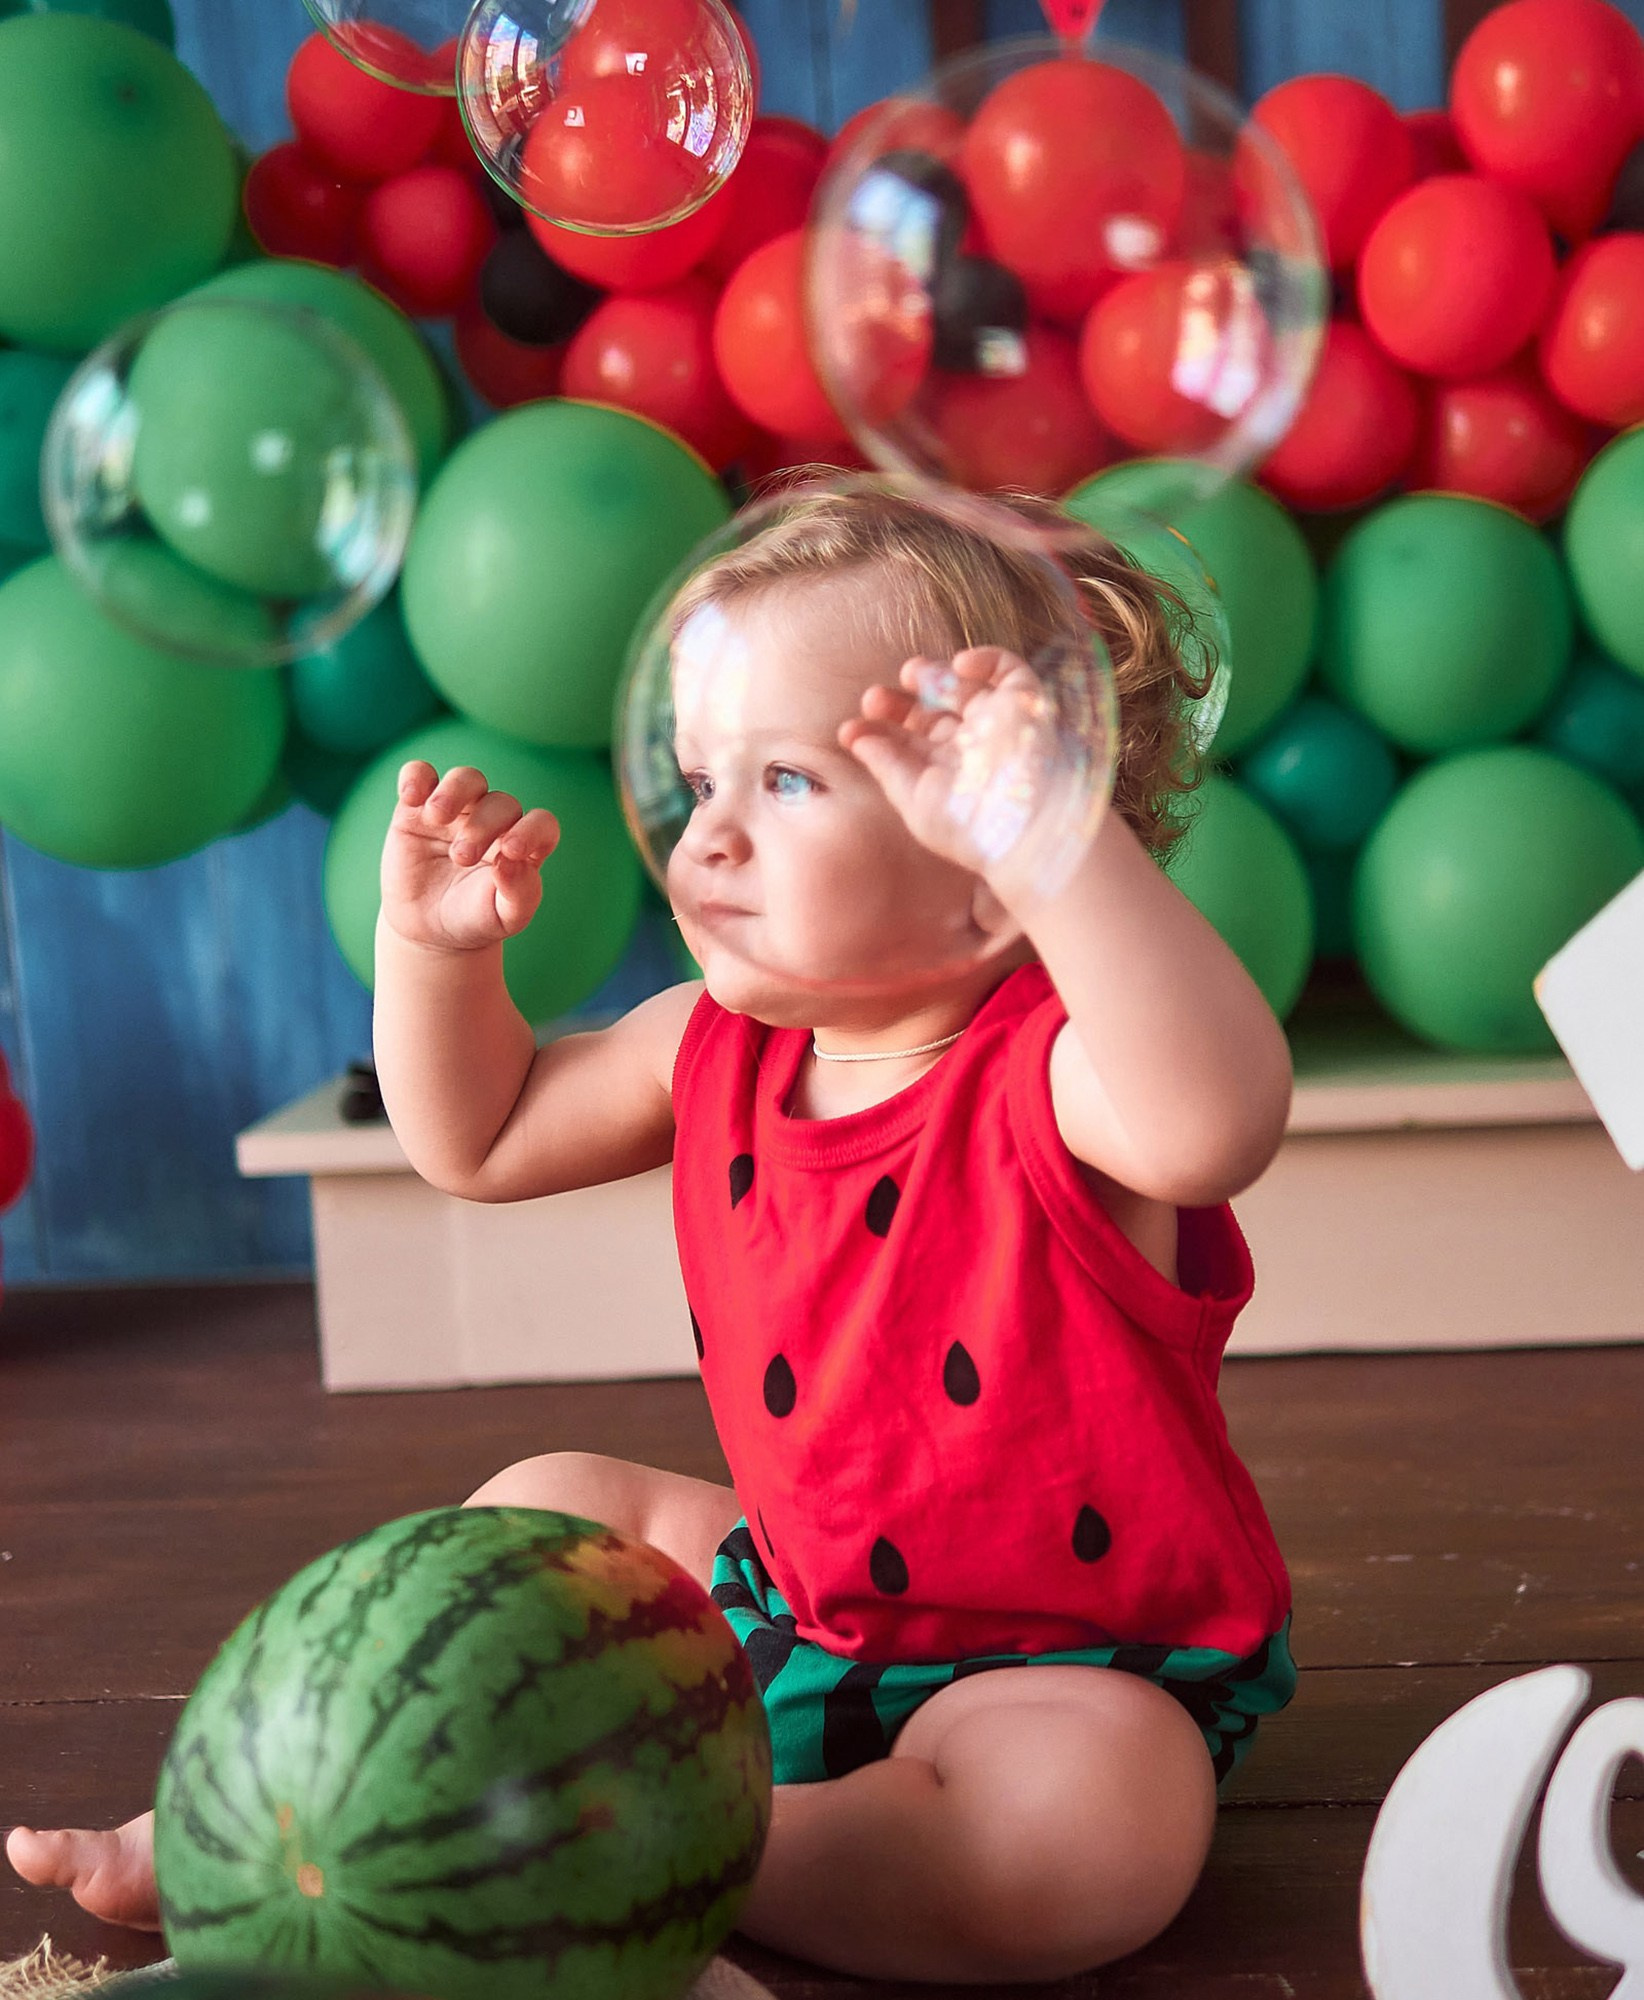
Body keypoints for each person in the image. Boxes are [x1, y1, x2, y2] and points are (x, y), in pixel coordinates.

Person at [8, 485, 1298, 1984]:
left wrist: (1058, 843)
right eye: (699, 781)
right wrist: (433, 957)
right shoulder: (705, 1045)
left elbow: (1216, 1122)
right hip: (795, 1602)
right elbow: (478, 1139)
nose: (711, 840)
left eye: (790, 782)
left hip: (1059, 1667)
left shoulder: (1063, 1071)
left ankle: (630, 1850)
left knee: (1089, 1833)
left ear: (993, 844)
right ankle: (256, 1828)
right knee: (548, 1501)